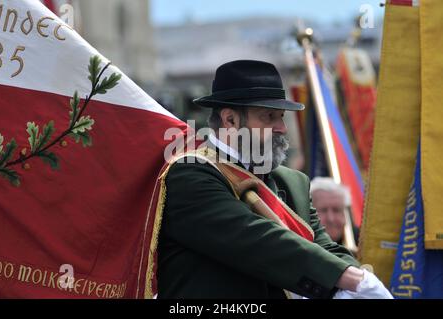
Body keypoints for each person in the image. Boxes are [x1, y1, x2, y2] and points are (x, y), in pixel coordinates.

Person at [156, 60, 391, 299]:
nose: (282, 128)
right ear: (230, 120)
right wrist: (349, 279)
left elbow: (325, 246)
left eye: (281, 116)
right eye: (269, 117)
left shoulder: (293, 182)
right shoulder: (189, 174)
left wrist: (355, 280)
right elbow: (257, 241)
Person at [310, 177, 360, 245]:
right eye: (323, 210)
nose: (331, 219)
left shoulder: (362, 242)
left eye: (336, 210)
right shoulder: (298, 243)